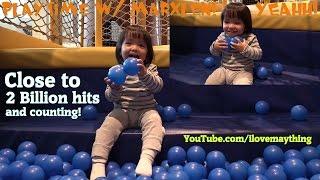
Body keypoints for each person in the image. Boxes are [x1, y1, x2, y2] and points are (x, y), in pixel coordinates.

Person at [90, 25, 165, 179]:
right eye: (128, 43)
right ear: (120, 49)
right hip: (122, 110)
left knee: (155, 121)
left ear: (147, 53)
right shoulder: (116, 70)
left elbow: (158, 86)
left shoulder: (149, 68)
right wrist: (114, 88)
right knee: (106, 127)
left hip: (146, 110)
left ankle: (146, 159)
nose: (134, 48)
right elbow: (110, 97)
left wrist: (144, 74)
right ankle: (98, 163)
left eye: (141, 45)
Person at [205, 2, 262, 85]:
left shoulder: (250, 37)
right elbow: (214, 53)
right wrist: (215, 47)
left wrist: (244, 49)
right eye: (227, 22)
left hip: (243, 72)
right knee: (210, 83)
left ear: (245, 25)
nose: (231, 26)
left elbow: (258, 55)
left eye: (237, 23)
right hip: (223, 69)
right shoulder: (222, 36)